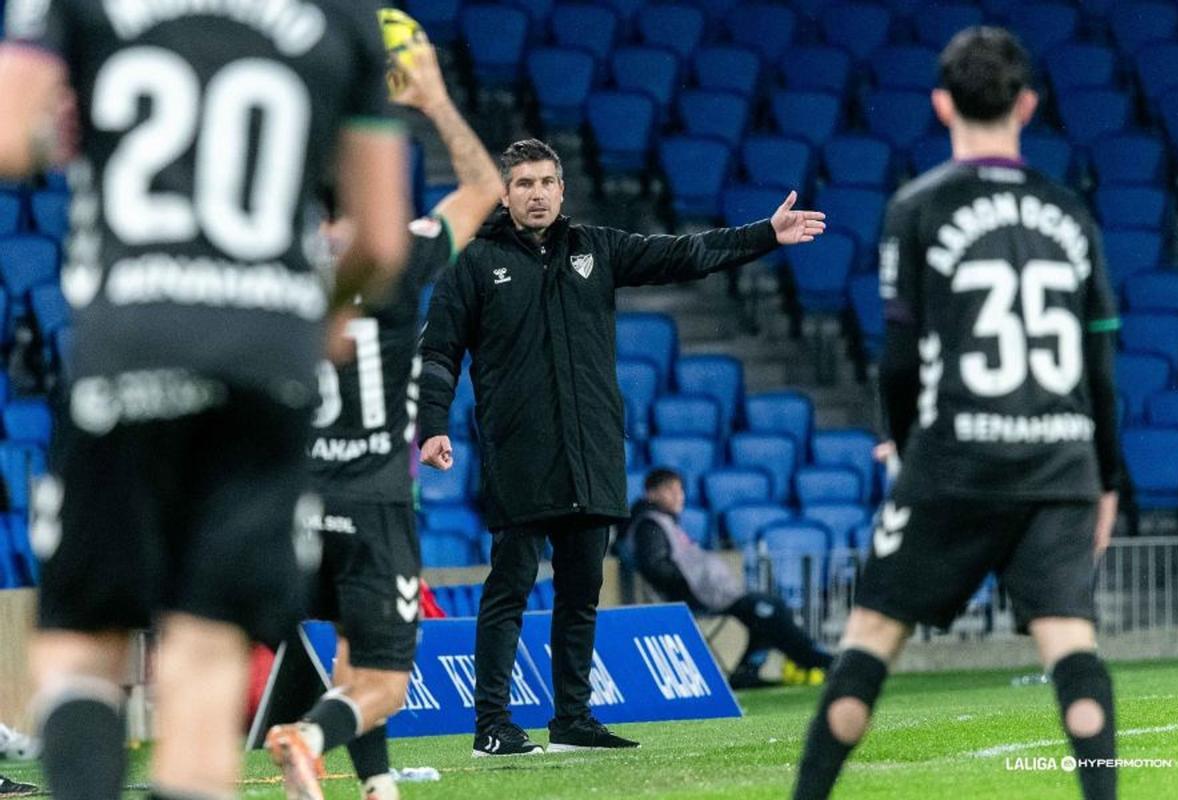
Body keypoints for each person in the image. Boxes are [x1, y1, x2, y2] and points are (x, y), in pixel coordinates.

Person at [0, 2, 410, 798]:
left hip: (130, 348)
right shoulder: (347, 17)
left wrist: (76, 137)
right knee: (207, 653)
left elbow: (14, 138)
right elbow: (383, 243)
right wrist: (321, 311)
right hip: (267, 367)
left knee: (83, 649)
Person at [792, 27, 1121, 800]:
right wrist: (1104, 479)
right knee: (1072, 646)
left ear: (941, 104)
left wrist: (905, 449)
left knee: (870, 640)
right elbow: (1101, 368)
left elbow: (899, 362)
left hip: (956, 461)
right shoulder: (1071, 213)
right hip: (1060, 458)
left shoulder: (916, 208)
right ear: (1028, 105)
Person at [418, 137, 827, 757]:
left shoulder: (596, 248)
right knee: (511, 587)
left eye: (546, 182)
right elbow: (439, 351)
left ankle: (573, 719)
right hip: (520, 454)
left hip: (592, 452)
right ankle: (492, 724)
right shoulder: (474, 264)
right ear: (504, 193)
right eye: (523, 184)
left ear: (562, 189)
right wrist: (433, 424)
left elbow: (684, 254)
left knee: (582, 591)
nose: (536, 194)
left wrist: (763, 234)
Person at [266, 31, 502, 800]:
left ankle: (378, 787)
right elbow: (483, 189)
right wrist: (431, 98)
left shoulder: (277, 265)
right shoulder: (399, 252)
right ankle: (308, 735)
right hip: (374, 501)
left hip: (296, 501)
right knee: (384, 681)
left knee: (347, 657)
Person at [626, 469, 834, 688]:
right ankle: (815, 659)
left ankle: (749, 671)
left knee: (766, 611)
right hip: (696, 596)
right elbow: (656, 568)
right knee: (768, 608)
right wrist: (696, 581)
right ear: (651, 494)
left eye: (680, 490)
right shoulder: (650, 525)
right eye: (669, 490)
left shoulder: (667, 522)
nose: (679, 496)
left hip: (711, 593)